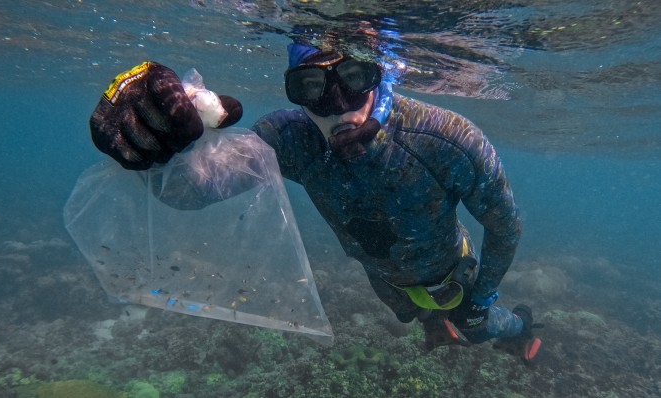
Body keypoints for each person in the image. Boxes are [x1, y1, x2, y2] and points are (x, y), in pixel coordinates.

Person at [89, 43, 542, 362]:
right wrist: (159, 146)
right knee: (409, 314)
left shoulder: (444, 138)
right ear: (297, 95)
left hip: (454, 274)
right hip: (385, 281)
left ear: (377, 74)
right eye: (312, 87)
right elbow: (191, 193)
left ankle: (523, 327)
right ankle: (431, 323)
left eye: (353, 78)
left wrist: (483, 296)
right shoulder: (292, 140)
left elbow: (506, 225)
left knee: (478, 328)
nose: (340, 106)